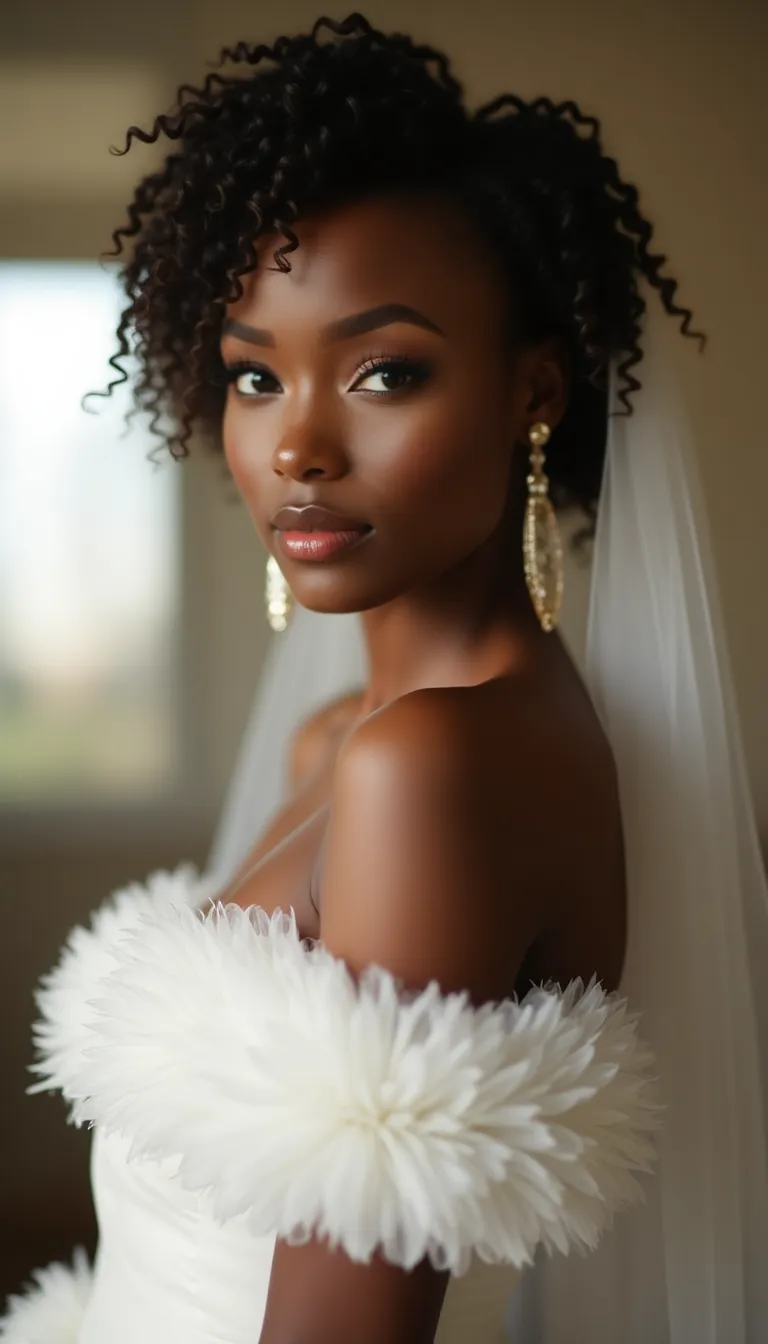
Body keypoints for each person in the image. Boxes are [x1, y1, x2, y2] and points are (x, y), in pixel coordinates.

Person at [3, 13, 767, 1344]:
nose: (297, 444)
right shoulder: (341, 740)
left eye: (383, 371)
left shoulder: (438, 769)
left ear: (536, 393)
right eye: (252, 374)